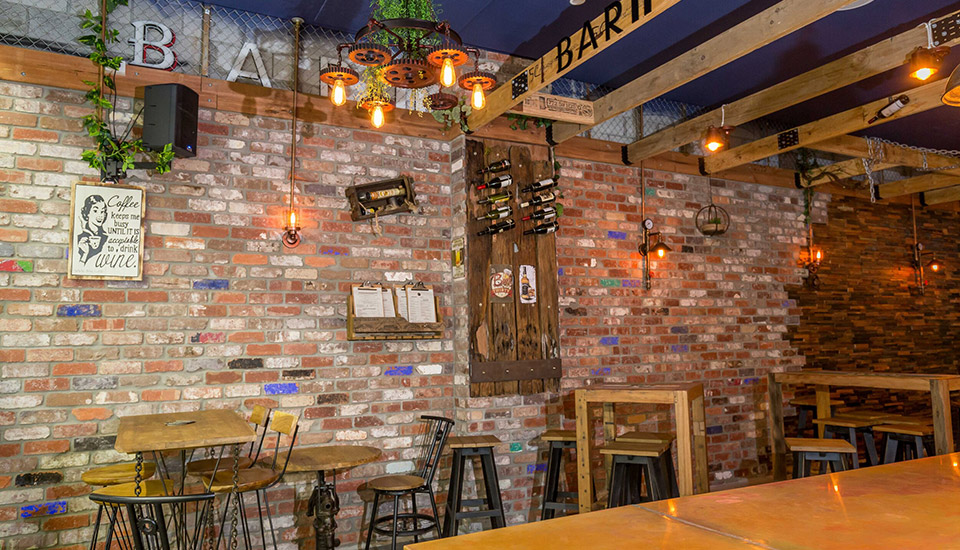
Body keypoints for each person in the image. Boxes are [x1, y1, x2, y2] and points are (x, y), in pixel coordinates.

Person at [76, 195, 108, 265]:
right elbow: (78, 269)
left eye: (102, 211)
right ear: (87, 213)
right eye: (95, 211)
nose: (100, 215)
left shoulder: (106, 238)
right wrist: (85, 254)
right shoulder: (79, 239)